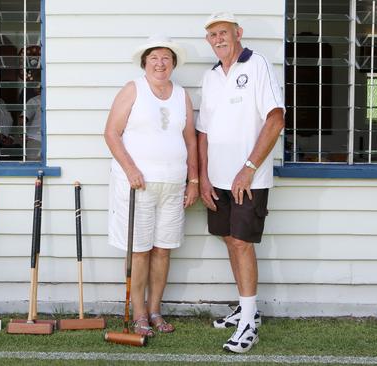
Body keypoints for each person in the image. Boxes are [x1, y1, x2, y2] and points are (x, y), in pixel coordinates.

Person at [197, 12, 285, 353]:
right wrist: (203, 177)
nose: (218, 39)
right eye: (212, 35)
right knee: (228, 237)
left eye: (224, 32)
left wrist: (248, 168)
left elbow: (276, 118)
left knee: (242, 243)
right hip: (217, 179)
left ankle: (249, 323)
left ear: (238, 34)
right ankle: (246, 308)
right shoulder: (211, 77)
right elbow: (203, 131)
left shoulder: (257, 65)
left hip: (249, 178)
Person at [104, 35, 199, 337]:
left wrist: (193, 180)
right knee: (140, 251)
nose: (160, 63)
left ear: (173, 64)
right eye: (154, 57)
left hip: (173, 186)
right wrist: (130, 169)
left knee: (163, 250)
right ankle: (139, 314)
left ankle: (156, 310)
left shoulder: (182, 94)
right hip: (138, 185)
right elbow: (111, 133)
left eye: (166, 58)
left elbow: (190, 140)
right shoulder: (133, 89)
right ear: (145, 62)